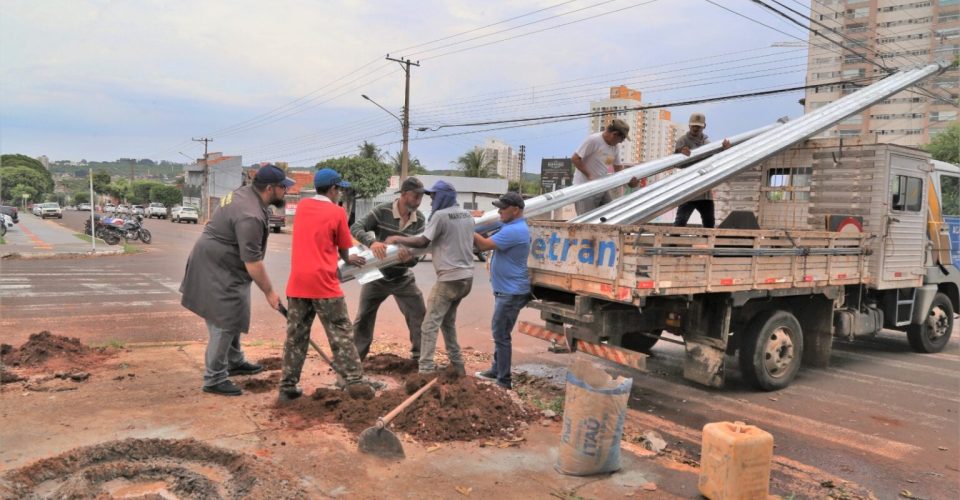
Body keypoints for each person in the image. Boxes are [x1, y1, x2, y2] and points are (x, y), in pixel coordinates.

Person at [180, 164, 293, 396]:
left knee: (234, 312)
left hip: (225, 263)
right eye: (283, 187)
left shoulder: (245, 194)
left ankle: (234, 360)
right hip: (216, 266)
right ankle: (214, 378)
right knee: (224, 320)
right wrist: (270, 292)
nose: (287, 191)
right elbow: (253, 263)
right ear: (270, 188)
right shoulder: (249, 215)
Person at [279, 168, 374, 402]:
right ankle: (355, 383)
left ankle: (287, 387)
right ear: (333, 189)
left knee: (296, 337)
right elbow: (343, 248)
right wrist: (349, 257)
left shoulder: (302, 207)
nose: (339, 193)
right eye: (339, 189)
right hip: (323, 284)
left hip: (298, 284)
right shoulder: (337, 212)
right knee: (341, 333)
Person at [385, 180, 475, 375]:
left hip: (449, 279)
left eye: (434, 197)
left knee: (429, 324)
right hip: (466, 279)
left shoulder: (441, 216)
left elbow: (422, 241)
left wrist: (397, 238)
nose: (432, 201)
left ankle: (424, 369)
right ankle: (458, 366)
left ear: (443, 197)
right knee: (447, 322)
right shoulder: (467, 215)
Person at [350, 177, 427, 361]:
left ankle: (420, 358)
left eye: (421, 197)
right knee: (364, 318)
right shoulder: (382, 211)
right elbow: (356, 227)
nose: (418, 201)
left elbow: (419, 254)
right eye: (415, 196)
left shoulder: (420, 220)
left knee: (419, 314)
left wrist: (409, 260)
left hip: (403, 277)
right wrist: (372, 242)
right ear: (403, 194)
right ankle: (355, 361)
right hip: (377, 275)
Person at [473, 192, 530, 390]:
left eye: (502, 208)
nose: (499, 212)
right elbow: (491, 226)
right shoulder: (510, 225)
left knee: (501, 334)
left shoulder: (515, 230)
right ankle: (497, 370)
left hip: (511, 292)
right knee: (501, 332)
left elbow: (483, 244)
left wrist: (465, 227)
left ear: (515, 210)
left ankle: (504, 381)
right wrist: (476, 216)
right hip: (506, 290)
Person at [673, 112, 731, 228]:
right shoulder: (682, 141)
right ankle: (672, 244)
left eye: (698, 126)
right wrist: (681, 154)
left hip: (704, 191)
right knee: (681, 221)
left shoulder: (707, 143)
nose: (695, 128)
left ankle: (708, 245)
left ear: (704, 126)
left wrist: (725, 150)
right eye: (693, 126)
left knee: (709, 222)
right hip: (688, 190)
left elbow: (715, 160)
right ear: (689, 125)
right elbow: (676, 164)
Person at [571, 118, 639, 215]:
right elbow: (575, 158)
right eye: (622, 138)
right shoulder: (593, 140)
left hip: (601, 186)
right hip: (585, 188)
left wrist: (628, 182)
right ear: (614, 134)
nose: (621, 142)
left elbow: (618, 168)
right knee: (586, 222)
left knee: (610, 215)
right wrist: (590, 176)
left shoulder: (614, 147)